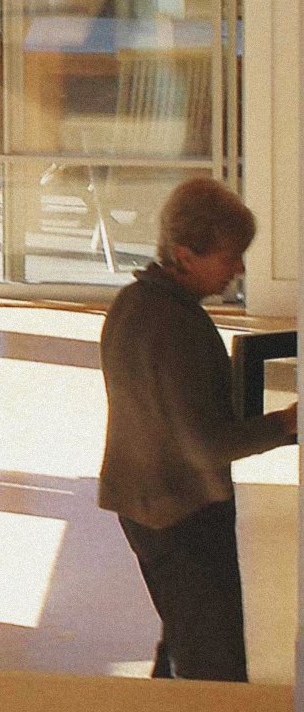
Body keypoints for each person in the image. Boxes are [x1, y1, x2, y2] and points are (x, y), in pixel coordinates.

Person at [99, 177, 297, 681]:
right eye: (230, 255)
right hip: (182, 512)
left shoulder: (130, 303)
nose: (239, 268)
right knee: (215, 663)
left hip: (140, 505)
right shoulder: (180, 327)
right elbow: (204, 446)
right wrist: (285, 423)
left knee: (184, 629)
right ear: (185, 254)